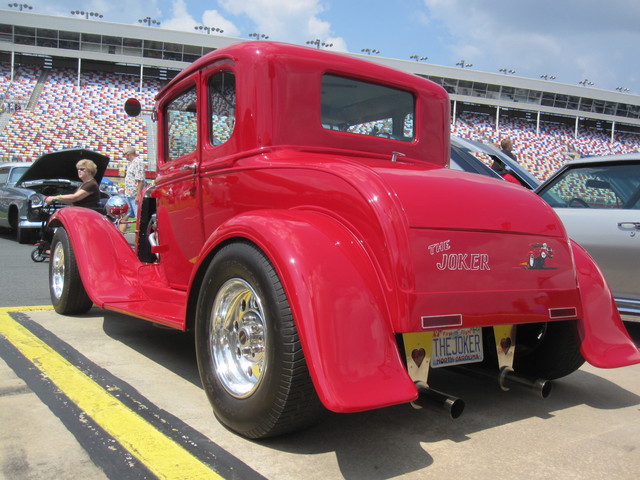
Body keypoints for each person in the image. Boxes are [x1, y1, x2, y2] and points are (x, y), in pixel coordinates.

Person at [120, 146, 146, 233]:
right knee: (124, 216)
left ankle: (139, 239)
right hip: (129, 194)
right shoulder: (131, 163)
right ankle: (120, 237)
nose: (124, 157)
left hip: (134, 195)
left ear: (128, 154)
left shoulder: (138, 163)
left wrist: (138, 195)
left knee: (138, 218)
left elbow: (140, 180)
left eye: (124, 154)